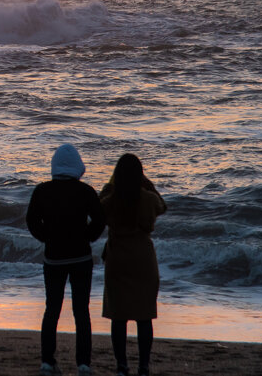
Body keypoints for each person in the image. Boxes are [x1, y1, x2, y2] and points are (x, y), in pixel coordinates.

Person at [26, 143, 106, 376]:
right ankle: (83, 364)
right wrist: (87, 238)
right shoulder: (86, 191)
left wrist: (47, 239)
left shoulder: (42, 191)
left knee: (52, 310)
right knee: (82, 312)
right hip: (81, 257)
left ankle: (47, 362)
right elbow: (100, 220)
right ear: (77, 166)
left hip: (54, 258)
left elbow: (32, 221)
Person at [99, 153, 167, 376]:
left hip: (118, 257)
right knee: (144, 315)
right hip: (143, 259)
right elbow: (163, 206)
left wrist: (110, 185)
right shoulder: (147, 198)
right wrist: (147, 183)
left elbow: (97, 210)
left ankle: (121, 365)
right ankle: (144, 365)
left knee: (118, 316)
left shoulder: (111, 200)